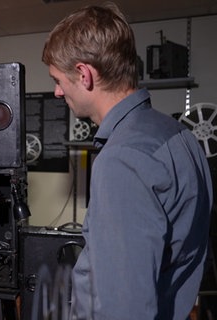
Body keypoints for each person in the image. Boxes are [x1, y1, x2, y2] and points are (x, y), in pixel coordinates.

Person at [42, 3, 213, 319]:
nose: (56, 91)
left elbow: (124, 306)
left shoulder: (122, 159)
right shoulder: (179, 136)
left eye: (58, 79)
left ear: (84, 74)